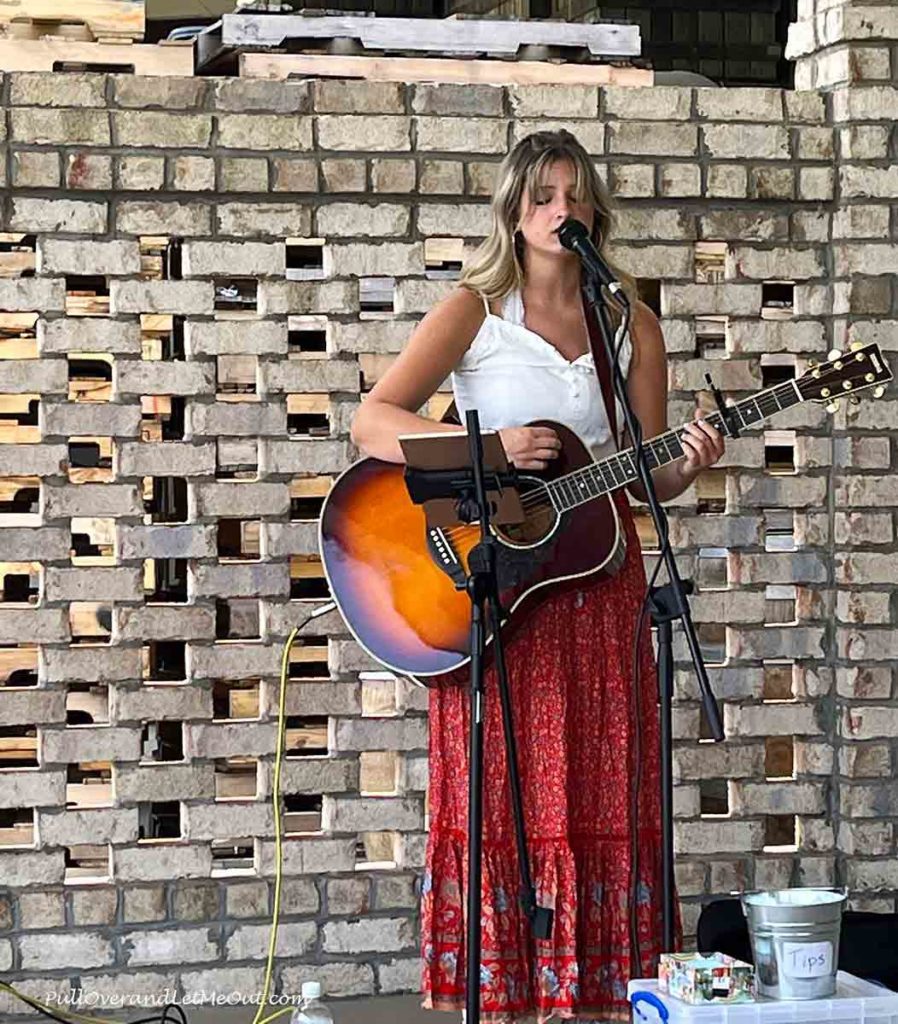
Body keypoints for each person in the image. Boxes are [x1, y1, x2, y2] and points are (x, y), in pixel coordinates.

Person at [350, 129, 725, 1023]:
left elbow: (645, 469)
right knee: (506, 789)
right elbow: (372, 422)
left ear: (595, 212)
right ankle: (505, 987)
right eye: (543, 196)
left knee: (604, 781)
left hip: (601, 580)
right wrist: (485, 450)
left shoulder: (630, 324)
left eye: (575, 195)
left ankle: (594, 995)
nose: (562, 210)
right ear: (516, 215)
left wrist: (694, 460)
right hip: (494, 584)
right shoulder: (476, 312)